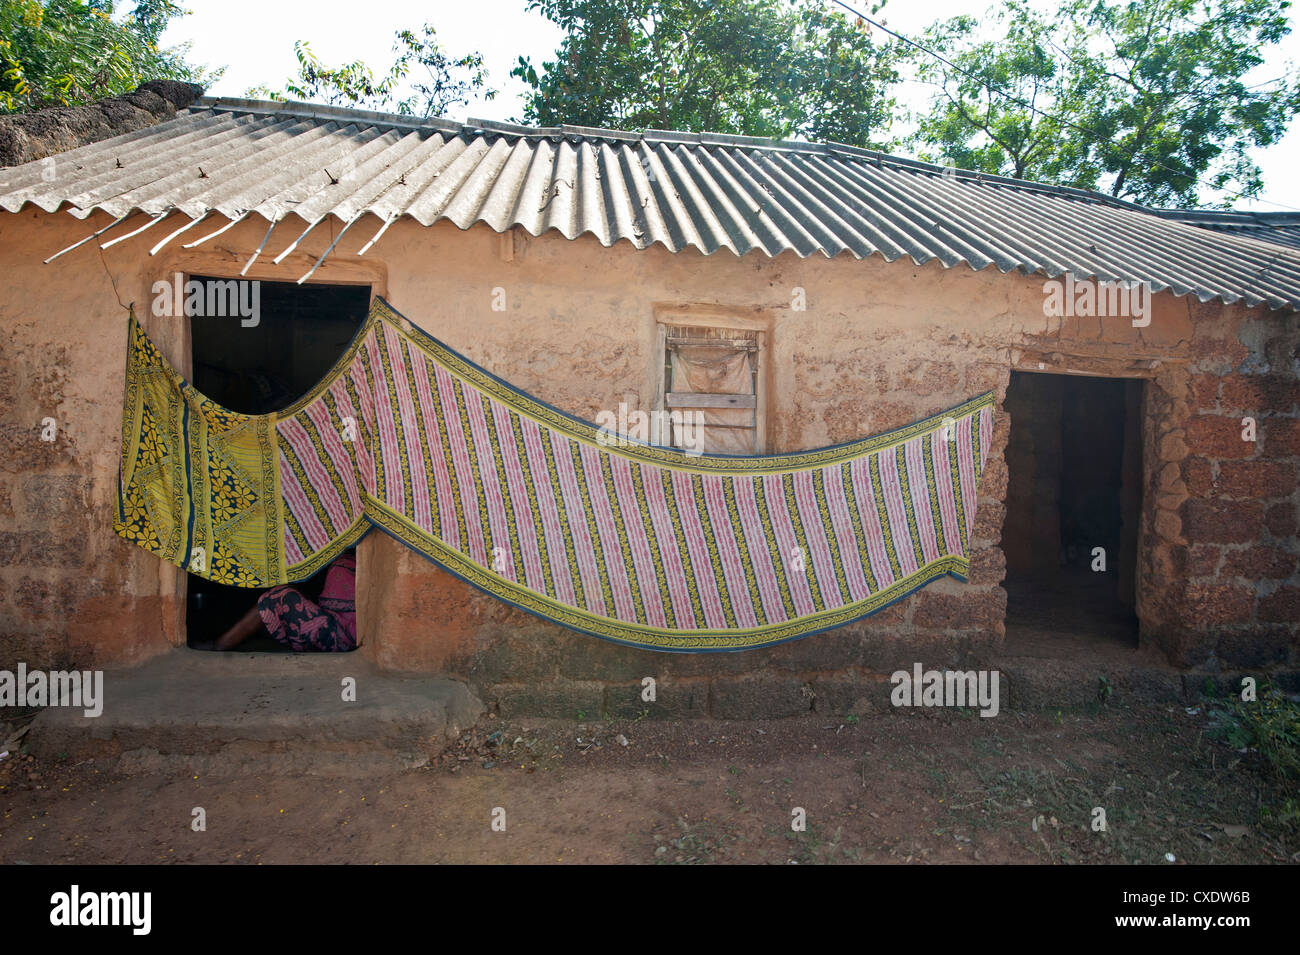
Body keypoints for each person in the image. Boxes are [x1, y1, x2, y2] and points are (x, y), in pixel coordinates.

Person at [213, 551, 357, 651]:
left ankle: (222, 644)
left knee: (278, 597)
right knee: (288, 598)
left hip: (338, 637)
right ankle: (225, 641)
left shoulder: (346, 564)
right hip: (345, 633)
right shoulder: (351, 563)